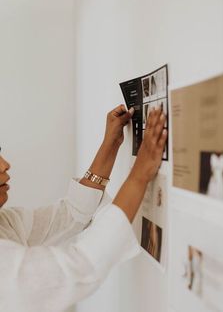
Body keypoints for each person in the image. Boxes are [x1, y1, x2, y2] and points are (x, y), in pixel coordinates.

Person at [0, 104, 167, 312]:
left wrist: (110, 145)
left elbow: (71, 213)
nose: (5, 165)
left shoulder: (4, 222)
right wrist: (139, 175)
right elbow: (80, 267)